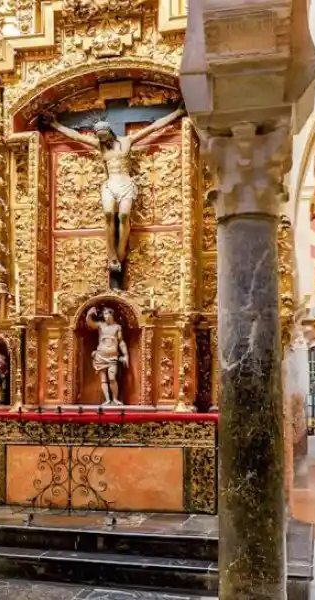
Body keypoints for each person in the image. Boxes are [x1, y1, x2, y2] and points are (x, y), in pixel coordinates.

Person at [45, 105, 187, 272]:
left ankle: (121, 252)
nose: (104, 141)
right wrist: (55, 125)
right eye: (101, 139)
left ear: (110, 132)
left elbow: (153, 127)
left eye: (106, 137)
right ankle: (111, 254)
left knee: (124, 216)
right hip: (110, 184)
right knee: (107, 215)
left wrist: (177, 112)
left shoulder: (127, 141)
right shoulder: (100, 145)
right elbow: (76, 137)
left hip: (126, 183)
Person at [86, 306, 128, 405]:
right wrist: (89, 314)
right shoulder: (101, 325)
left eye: (106, 314)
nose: (105, 316)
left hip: (112, 356)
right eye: (104, 314)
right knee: (103, 379)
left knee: (112, 378)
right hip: (100, 356)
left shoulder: (117, 327)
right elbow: (90, 323)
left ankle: (115, 399)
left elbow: (121, 342)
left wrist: (126, 355)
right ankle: (107, 399)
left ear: (111, 314)